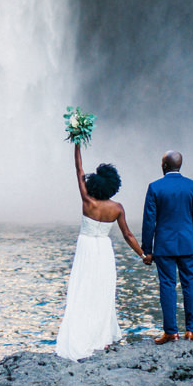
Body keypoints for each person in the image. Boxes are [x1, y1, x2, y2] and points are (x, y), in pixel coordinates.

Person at [53, 142, 146, 360]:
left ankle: (81, 335)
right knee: (103, 290)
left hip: (86, 246)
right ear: (114, 186)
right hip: (103, 249)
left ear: (94, 184)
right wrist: (142, 255)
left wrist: (77, 143)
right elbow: (128, 235)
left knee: (83, 289)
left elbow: (79, 170)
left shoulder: (87, 201)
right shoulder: (117, 208)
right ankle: (101, 337)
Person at [140, 150, 193, 344]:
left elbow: (149, 221)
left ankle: (171, 332)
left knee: (167, 286)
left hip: (164, 246)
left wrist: (147, 250)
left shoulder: (155, 187)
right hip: (188, 244)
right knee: (189, 285)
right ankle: (191, 331)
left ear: (165, 166)